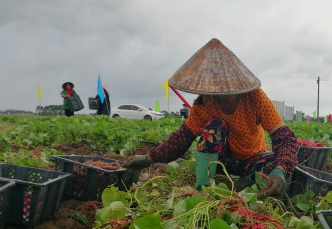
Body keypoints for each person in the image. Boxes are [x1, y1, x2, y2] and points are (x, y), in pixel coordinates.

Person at [124, 38, 298, 197]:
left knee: (279, 163)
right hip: (221, 161)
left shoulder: (254, 97)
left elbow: (283, 137)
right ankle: (204, 188)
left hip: (252, 158)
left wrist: (280, 169)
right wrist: (151, 158)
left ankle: (245, 182)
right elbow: (183, 137)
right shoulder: (204, 103)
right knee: (214, 126)